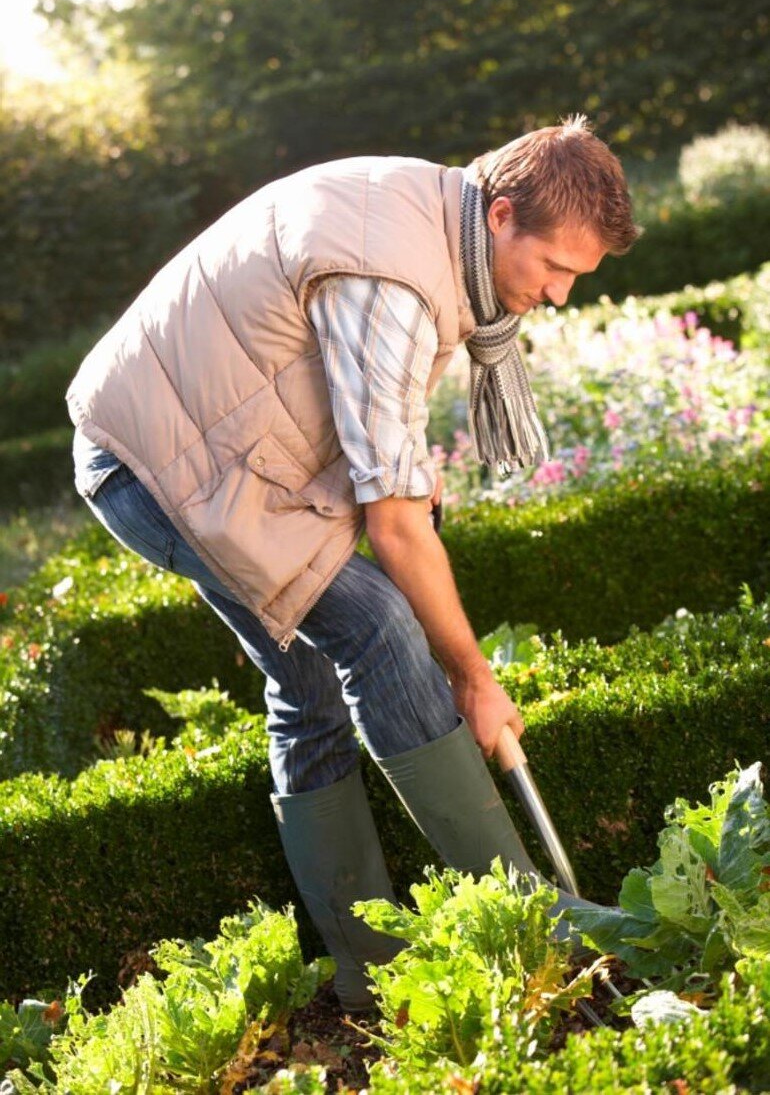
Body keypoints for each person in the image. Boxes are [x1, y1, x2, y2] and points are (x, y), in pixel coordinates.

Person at [68, 115, 638, 1012]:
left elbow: (362, 396)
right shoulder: (393, 273)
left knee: (307, 686)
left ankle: (365, 971)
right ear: (500, 215)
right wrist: (474, 677)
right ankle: (537, 922)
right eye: (555, 267)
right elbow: (395, 526)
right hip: (163, 464)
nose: (561, 294)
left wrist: (403, 455)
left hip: (205, 447)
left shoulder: (428, 219)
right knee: (379, 626)